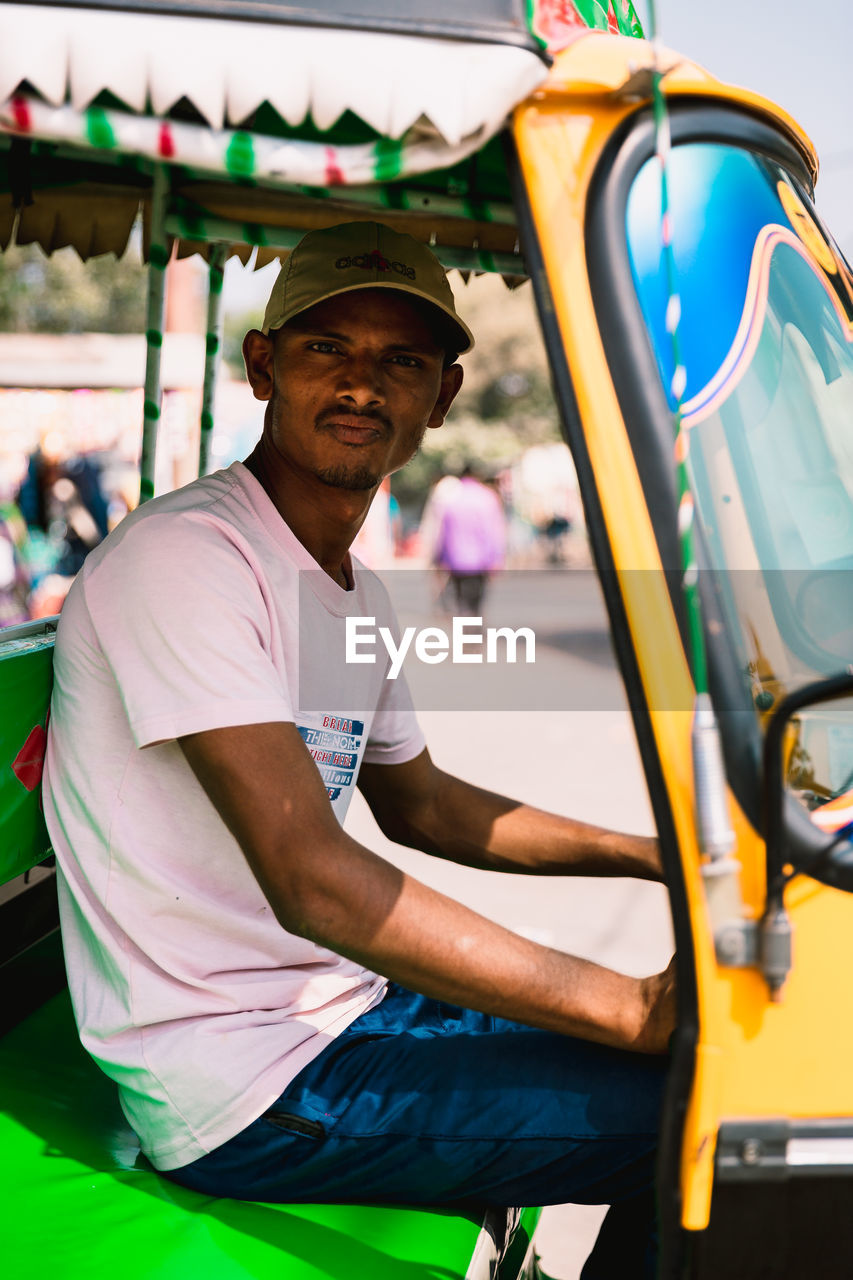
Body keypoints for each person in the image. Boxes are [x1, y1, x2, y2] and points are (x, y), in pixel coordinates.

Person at [44, 221, 675, 1279]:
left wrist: (660, 854)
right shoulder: (188, 560)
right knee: (701, 1105)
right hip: (245, 1085)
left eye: (401, 361)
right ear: (263, 365)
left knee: (701, 1051)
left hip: (339, 1012)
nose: (360, 384)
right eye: (327, 348)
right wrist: (626, 1005)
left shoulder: (350, 586)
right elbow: (316, 884)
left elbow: (424, 807)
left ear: (441, 395)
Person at [431, 462, 507, 613]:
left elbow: (443, 532)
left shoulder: (451, 497)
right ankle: (474, 625)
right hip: (480, 562)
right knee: (476, 602)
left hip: (455, 561)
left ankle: (465, 627)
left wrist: (440, 559)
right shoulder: (487, 497)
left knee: (461, 601)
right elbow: (494, 531)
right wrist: (496, 560)